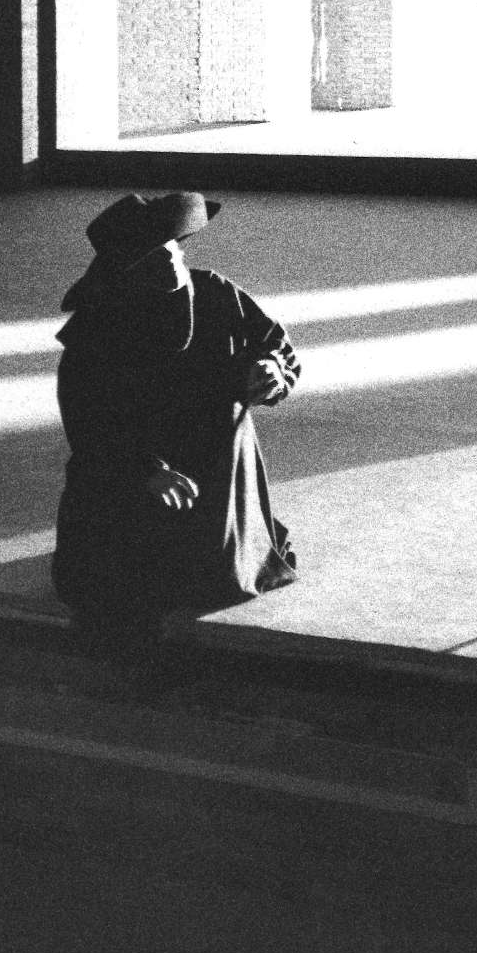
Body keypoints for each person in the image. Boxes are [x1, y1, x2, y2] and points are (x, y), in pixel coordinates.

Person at [51, 191, 299, 633]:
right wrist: (144, 470)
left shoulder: (215, 291)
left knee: (213, 573)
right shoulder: (99, 325)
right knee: (118, 580)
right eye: (148, 255)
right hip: (137, 458)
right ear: (125, 270)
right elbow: (87, 422)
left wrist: (273, 369)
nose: (167, 258)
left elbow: (272, 342)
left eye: (170, 245)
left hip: (215, 454)